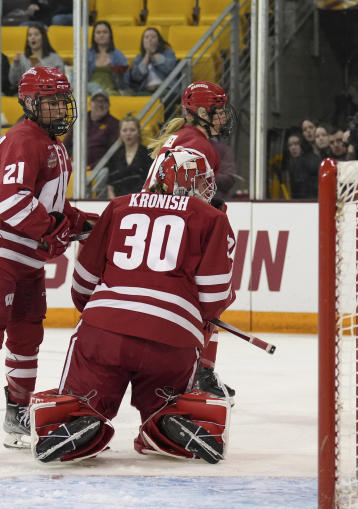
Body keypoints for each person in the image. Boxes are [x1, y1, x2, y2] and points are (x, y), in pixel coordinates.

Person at [30, 147, 235, 464]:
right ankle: (170, 417)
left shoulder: (118, 206)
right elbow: (213, 296)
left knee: (84, 396)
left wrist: (98, 316)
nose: (203, 189)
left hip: (105, 329)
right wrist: (193, 318)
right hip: (173, 336)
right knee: (166, 397)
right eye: (199, 182)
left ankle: (82, 417)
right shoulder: (212, 218)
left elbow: (84, 279)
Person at [0, 66, 97, 459]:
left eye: (61, 100)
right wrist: (54, 231)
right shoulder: (23, 139)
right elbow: (11, 199)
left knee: (27, 339)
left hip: (25, 255)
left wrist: (82, 223)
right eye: (49, 101)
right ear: (30, 103)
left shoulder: (52, 143)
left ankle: (17, 412)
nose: (58, 108)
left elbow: (48, 203)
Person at [145, 81, 235, 397]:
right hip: (177, 232)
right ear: (199, 112)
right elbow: (187, 199)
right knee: (213, 296)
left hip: (159, 230)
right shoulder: (201, 146)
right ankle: (200, 372)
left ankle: (193, 369)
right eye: (218, 110)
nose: (224, 116)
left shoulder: (183, 137)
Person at [63, 88, 120, 170]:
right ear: (90, 104)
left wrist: (91, 167)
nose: (100, 105)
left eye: (104, 101)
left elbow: (112, 154)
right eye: (97, 101)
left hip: (100, 168)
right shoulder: (80, 120)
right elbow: (66, 144)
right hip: (76, 164)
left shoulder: (114, 124)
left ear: (109, 105)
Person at [105, 114, 152, 196]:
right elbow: (110, 186)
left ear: (138, 132)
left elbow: (152, 183)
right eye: (124, 130)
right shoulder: (115, 156)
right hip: (120, 203)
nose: (128, 133)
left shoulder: (148, 154)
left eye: (132, 130)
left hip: (141, 201)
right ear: (120, 133)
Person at [8, 23, 65, 90]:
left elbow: (61, 83)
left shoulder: (55, 58)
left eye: (36, 34)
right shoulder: (22, 58)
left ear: (43, 37)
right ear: (27, 40)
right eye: (30, 35)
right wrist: (16, 63)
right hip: (26, 96)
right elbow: (13, 82)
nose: (33, 37)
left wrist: (44, 73)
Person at [126, 27, 176, 94]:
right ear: (143, 42)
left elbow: (169, 68)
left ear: (159, 41)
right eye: (146, 37)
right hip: (146, 91)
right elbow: (136, 77)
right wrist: (147, 56)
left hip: (164, 88)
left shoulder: (168, 52)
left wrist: (155, 57)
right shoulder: (139, 58)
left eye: (153, 37)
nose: (149, 39)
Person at [87, 21, 129, 94]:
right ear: (94, 36)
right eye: (98, 32)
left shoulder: (118, 55)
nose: (101, 35)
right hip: (89, 92)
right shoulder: (86, 54)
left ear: (110, 35)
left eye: (105, 32)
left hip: (111, 92)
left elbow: (126, 80)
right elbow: (77, 77)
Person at [283, 128, 320, 199]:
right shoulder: (290, 163)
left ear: (302, 145)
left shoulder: (312, 160)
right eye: (290, 145)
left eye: (296, 144)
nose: (293, 147)